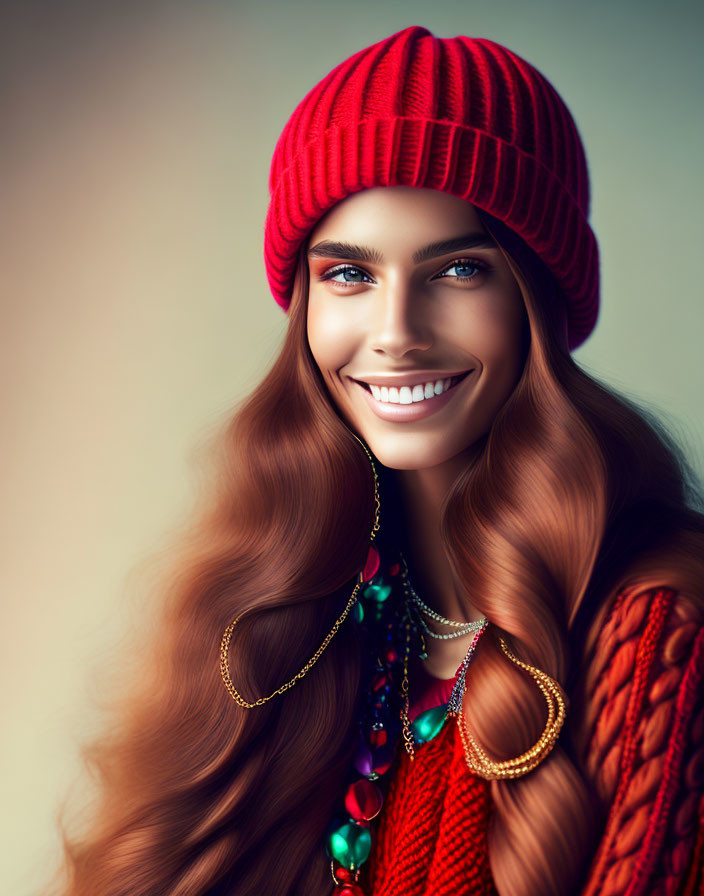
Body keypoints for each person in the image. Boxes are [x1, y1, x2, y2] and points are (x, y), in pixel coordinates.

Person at [52, 25, 704, 896]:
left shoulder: (662, 636)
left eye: (459, 270)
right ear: (305, 305)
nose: (397, 333)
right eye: (350, 275)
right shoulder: (293, 615)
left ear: (536, 302)